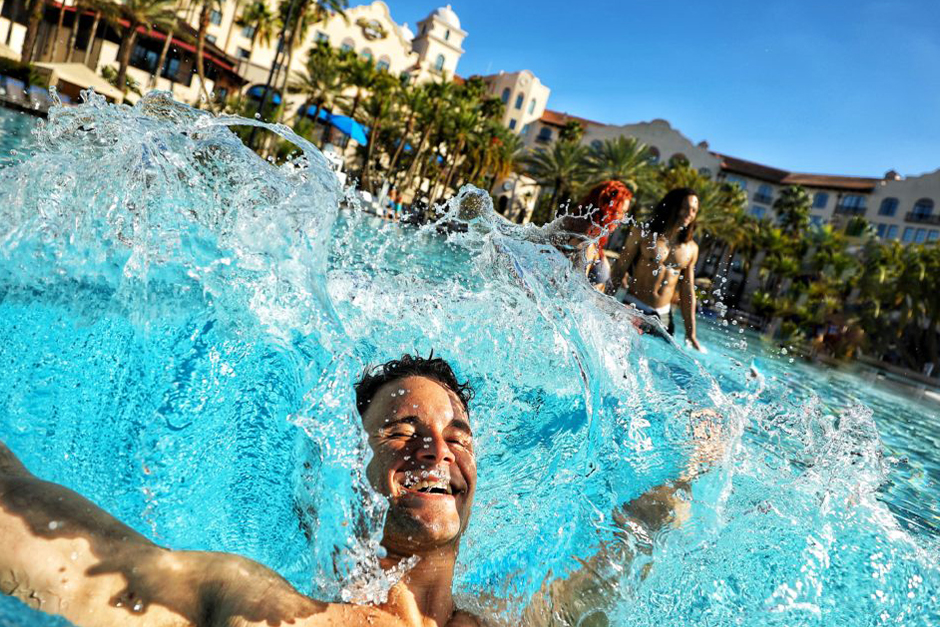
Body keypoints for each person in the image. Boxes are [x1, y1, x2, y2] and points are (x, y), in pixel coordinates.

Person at [0, 353, 717, 627]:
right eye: (401, 429)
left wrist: (684, 477)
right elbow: (38, 532)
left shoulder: (504, 622)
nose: (437, 448)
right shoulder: (261, 607)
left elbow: (603, 572)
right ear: (347, 472)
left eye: (458, 435)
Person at [610, 188, 702, 350]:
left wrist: (691, 333)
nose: (689, 214)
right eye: (685, 207)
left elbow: (687, 291)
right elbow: (619, 269)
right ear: (672, 206)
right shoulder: (643, 233)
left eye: (694, 210)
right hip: (634, 308)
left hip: (664, 317)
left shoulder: (691, 248)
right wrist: (606, 302)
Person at [558, 181, 633, 293]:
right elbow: (571, 291)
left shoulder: (591, 238)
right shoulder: (585, 242)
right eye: (621, 212)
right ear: (607, 209)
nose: (622, 218)